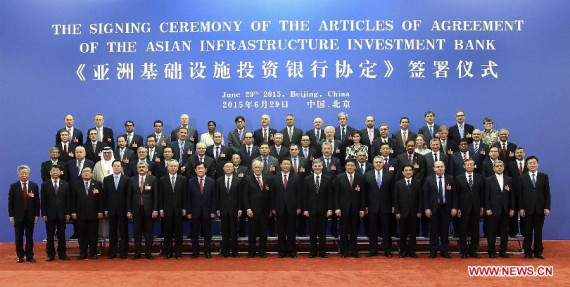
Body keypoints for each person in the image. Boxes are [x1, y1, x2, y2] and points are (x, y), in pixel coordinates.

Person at [516, 156, 551, 259]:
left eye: (534, 163)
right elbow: (520, 195)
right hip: (526, 210)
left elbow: (547, 194)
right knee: (527, 232)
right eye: (530, 163)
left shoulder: (544, 177)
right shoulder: (522, 178)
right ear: (527, 165)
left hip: (540, 209)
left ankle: (538, 252)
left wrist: (547, 207)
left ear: (537, 164)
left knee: (538, 231)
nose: (532, 165)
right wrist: (521, 208)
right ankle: (527, 252)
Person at [362, 156, 395, 257]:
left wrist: (393, 205)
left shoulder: (390, 175)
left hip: (386, 206)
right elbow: (364, 192)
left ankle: (387, 250)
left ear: (383, 163)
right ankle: (373, 249)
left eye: (380, 162)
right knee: (373, 229)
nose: (378, 164)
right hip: (372, 207)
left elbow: (393, 192)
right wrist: (364, 206)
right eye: (376, 162)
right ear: (373, 163)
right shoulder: (367, 175)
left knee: (386, 229)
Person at [424, 161, 457, 258]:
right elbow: (425, 195)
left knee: (445, 231)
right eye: (437, 167)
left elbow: (455, 195)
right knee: (434, 231)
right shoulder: (429, 179)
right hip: (433, 208)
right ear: (433, 168)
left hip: (446, 208)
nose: (440, 168)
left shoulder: (450, 178)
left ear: (444, 168)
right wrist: (426, 208)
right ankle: (433, 251)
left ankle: (444, 251)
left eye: (441, 166)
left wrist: (454, 207)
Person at [270, 158, 302, 258]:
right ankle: (282, 252)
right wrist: (273, 207)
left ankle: (292, 251)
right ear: (280, 165)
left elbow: (299, 194)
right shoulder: (274, 178)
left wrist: (299, 207)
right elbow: (272, 195)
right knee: (281, 231)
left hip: (292, 208)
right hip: (279, 208)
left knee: (291, 231)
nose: (286, 166)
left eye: (288, 164)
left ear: (291, 165)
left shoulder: (296, 178)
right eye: (284, 164)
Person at [127, 162, 158, 260]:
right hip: (136, 210)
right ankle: (137, 252)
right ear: (136, 169)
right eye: (139, 167)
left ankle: (148, 252)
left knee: (149, 233)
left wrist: (155, 210)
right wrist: (128, 210)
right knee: (137, 233)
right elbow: (128, 197)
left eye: (143, 167)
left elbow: (156, 196)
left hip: (149, 210)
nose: (141, 168)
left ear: (147, 168)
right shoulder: (132, 180)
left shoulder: (153, 179)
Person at [334, 159, 365, 258]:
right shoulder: (339, 178)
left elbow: (363, 195)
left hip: (356, 209)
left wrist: (362, 209)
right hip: (343, 209)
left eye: (352, 165)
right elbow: (336, 195)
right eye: (348, 165)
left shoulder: (360, 178)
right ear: (345, 167)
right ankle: (344, 251)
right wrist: (337, 208)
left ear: (355, 167)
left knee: (354, 231)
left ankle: (354, 251)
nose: (350, 167)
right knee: (344, 231)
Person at [9, 165, 40, 263]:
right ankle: (20, 256)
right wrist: (11, 216)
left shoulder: (34, 186)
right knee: (19, 237)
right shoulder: (14, 186)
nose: (24, 175)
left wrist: (36, 215)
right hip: (18, 216)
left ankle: (30, 256)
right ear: (18, 174)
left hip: (30, 215)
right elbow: (11, 202)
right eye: (22, 173)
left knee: (30, 236)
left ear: (29, 174)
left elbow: (37, 202)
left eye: (26, 173)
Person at [71, 166, 103, 260]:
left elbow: (101, 199)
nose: (86, 173)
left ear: (92, 173)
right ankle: (83, 253)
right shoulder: (76, 184)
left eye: (88, 171)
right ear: (81, 174)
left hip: (94, 213)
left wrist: (100, 211)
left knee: (93, 234)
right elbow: (73, 199)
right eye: (84, 171)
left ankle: (93, 252)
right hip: (80, 214)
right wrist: (73, 212)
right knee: (82, 235)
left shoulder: (97, 184)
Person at [303, 159, 332, 258]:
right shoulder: (307, 179)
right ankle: (313, 251)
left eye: (319, 166)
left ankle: (322, 251)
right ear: (312, 167)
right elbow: (305, 196)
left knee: (322, 232)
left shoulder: (327, 179)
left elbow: (330, 195)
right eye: (315, 166)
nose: (317, 167)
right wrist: (305, 209)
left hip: (324, 210)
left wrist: (329, 209)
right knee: (312, 233)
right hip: (311, 210)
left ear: (322, 167)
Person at [485, 160, 514, 258]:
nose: (499, 167)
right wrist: (487, 208)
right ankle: (491, 251)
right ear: (494, 168)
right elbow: (486, 196)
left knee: (504, 232)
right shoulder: (488, 180)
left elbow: (512, 196)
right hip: (493, 210)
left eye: (501, 166)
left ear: (503, 167)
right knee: (491, 232)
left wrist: (512, 209)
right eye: (497, 166)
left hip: (505, 210)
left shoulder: (509, 179)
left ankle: (503, 251)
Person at [41, 165, 71, 261]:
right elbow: (43, 201)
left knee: (62, 235)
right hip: (49, 214)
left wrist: (67, 213)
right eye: (53, 170)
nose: (55, 172)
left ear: (60, 172)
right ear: (50, 172)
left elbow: (68, 200)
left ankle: (62, 254)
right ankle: (50, 254)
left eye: (57, 170)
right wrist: (44, 213)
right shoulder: (45, 185)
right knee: (50, 235)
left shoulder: (65, 184)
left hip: (62, 214)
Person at [455, 159, 484, 258]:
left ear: (474, 166)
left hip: (476, 208)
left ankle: (473, 250)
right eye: (468, 164)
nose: (470, 166)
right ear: (464, 166)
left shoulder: (480, 178)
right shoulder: (458, 178)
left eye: (472, 164)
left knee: (475, 231)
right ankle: (463, 251)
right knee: (463, 231)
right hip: (463, 208)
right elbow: (456, 195)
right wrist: (458, 208)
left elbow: (482, 194)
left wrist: (482, 207)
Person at [187, 162, 216, 258]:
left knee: (207, 233)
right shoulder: (190, 182)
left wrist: (213, 211)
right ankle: (195, 252)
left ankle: (207, 251)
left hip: (207, 212)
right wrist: (189, 212)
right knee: (194, 233)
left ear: (205, 170)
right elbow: (188, 198)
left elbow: (214, 198)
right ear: (195, 170)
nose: (200, 170)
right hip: (194, 212)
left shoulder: (211, 181)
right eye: (198, 168)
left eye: (202, 168)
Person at [159, 159, 187, 259]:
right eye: (171, 166)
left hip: (179, 209)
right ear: (168, 168)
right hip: (167, 210)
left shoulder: (183, 179)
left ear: (178, 167)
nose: (173, 168)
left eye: (175, 166)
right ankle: (169, 252)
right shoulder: (162, 179)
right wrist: (161, 209)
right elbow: (160, 196)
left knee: (179, 233)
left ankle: (178, 252)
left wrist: (184, 207)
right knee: (167, 232)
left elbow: (185, 195)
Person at [243, 160, 271, 258]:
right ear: (252, 168)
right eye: (256, 167)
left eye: (259, 167)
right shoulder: (247, 179)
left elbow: (270, 195)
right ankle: (252, 251)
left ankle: (262, 251)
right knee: (252, 232)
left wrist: (270, 209)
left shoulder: (268, 179)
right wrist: (248, 209)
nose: (258, 169)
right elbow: (245, 196)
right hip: (253, 211)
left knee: (263, 232)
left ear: (262, 168)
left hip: (265, 210)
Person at [103, 160, 130, 259]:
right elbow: (105, 196)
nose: (117, 167)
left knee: (123, 232)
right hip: (111, 210)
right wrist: (105, 209)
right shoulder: (107, 179)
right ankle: (112, 252)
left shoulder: (127, 179)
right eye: (115, 166)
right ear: (112, 167)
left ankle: (123, 252)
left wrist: (128, 210)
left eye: (118, 166)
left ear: (122, 167)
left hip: (123, 210)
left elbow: (128, 196)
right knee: (112, 232)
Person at [393, 165, 422, 258]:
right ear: (403, 172)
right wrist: (397, 212)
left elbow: (420, 198)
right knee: (403, 233)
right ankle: (403, 251)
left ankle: (412, 251)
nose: (408, 172)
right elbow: (396, 199)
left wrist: (419, 211)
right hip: (402, 212)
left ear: (413, 172)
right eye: (406, 170)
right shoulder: (398, 183)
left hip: (414, 212)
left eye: (410, 170)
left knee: (413, 233)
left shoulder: (417, 182)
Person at [216, 162, 242, 258]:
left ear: (233, 169)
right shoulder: (218, 181)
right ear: (223, 168)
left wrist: (240, 208)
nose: (228, 168)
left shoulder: (238, 180)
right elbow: (217, 196)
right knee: (225, 231)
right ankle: (225, 251)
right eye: (226, 167)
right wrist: (217, 208)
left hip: (234, 209)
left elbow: (240, 196)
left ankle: (235, 251)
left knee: (234, 232)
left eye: (230, 167)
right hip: (222, 209)